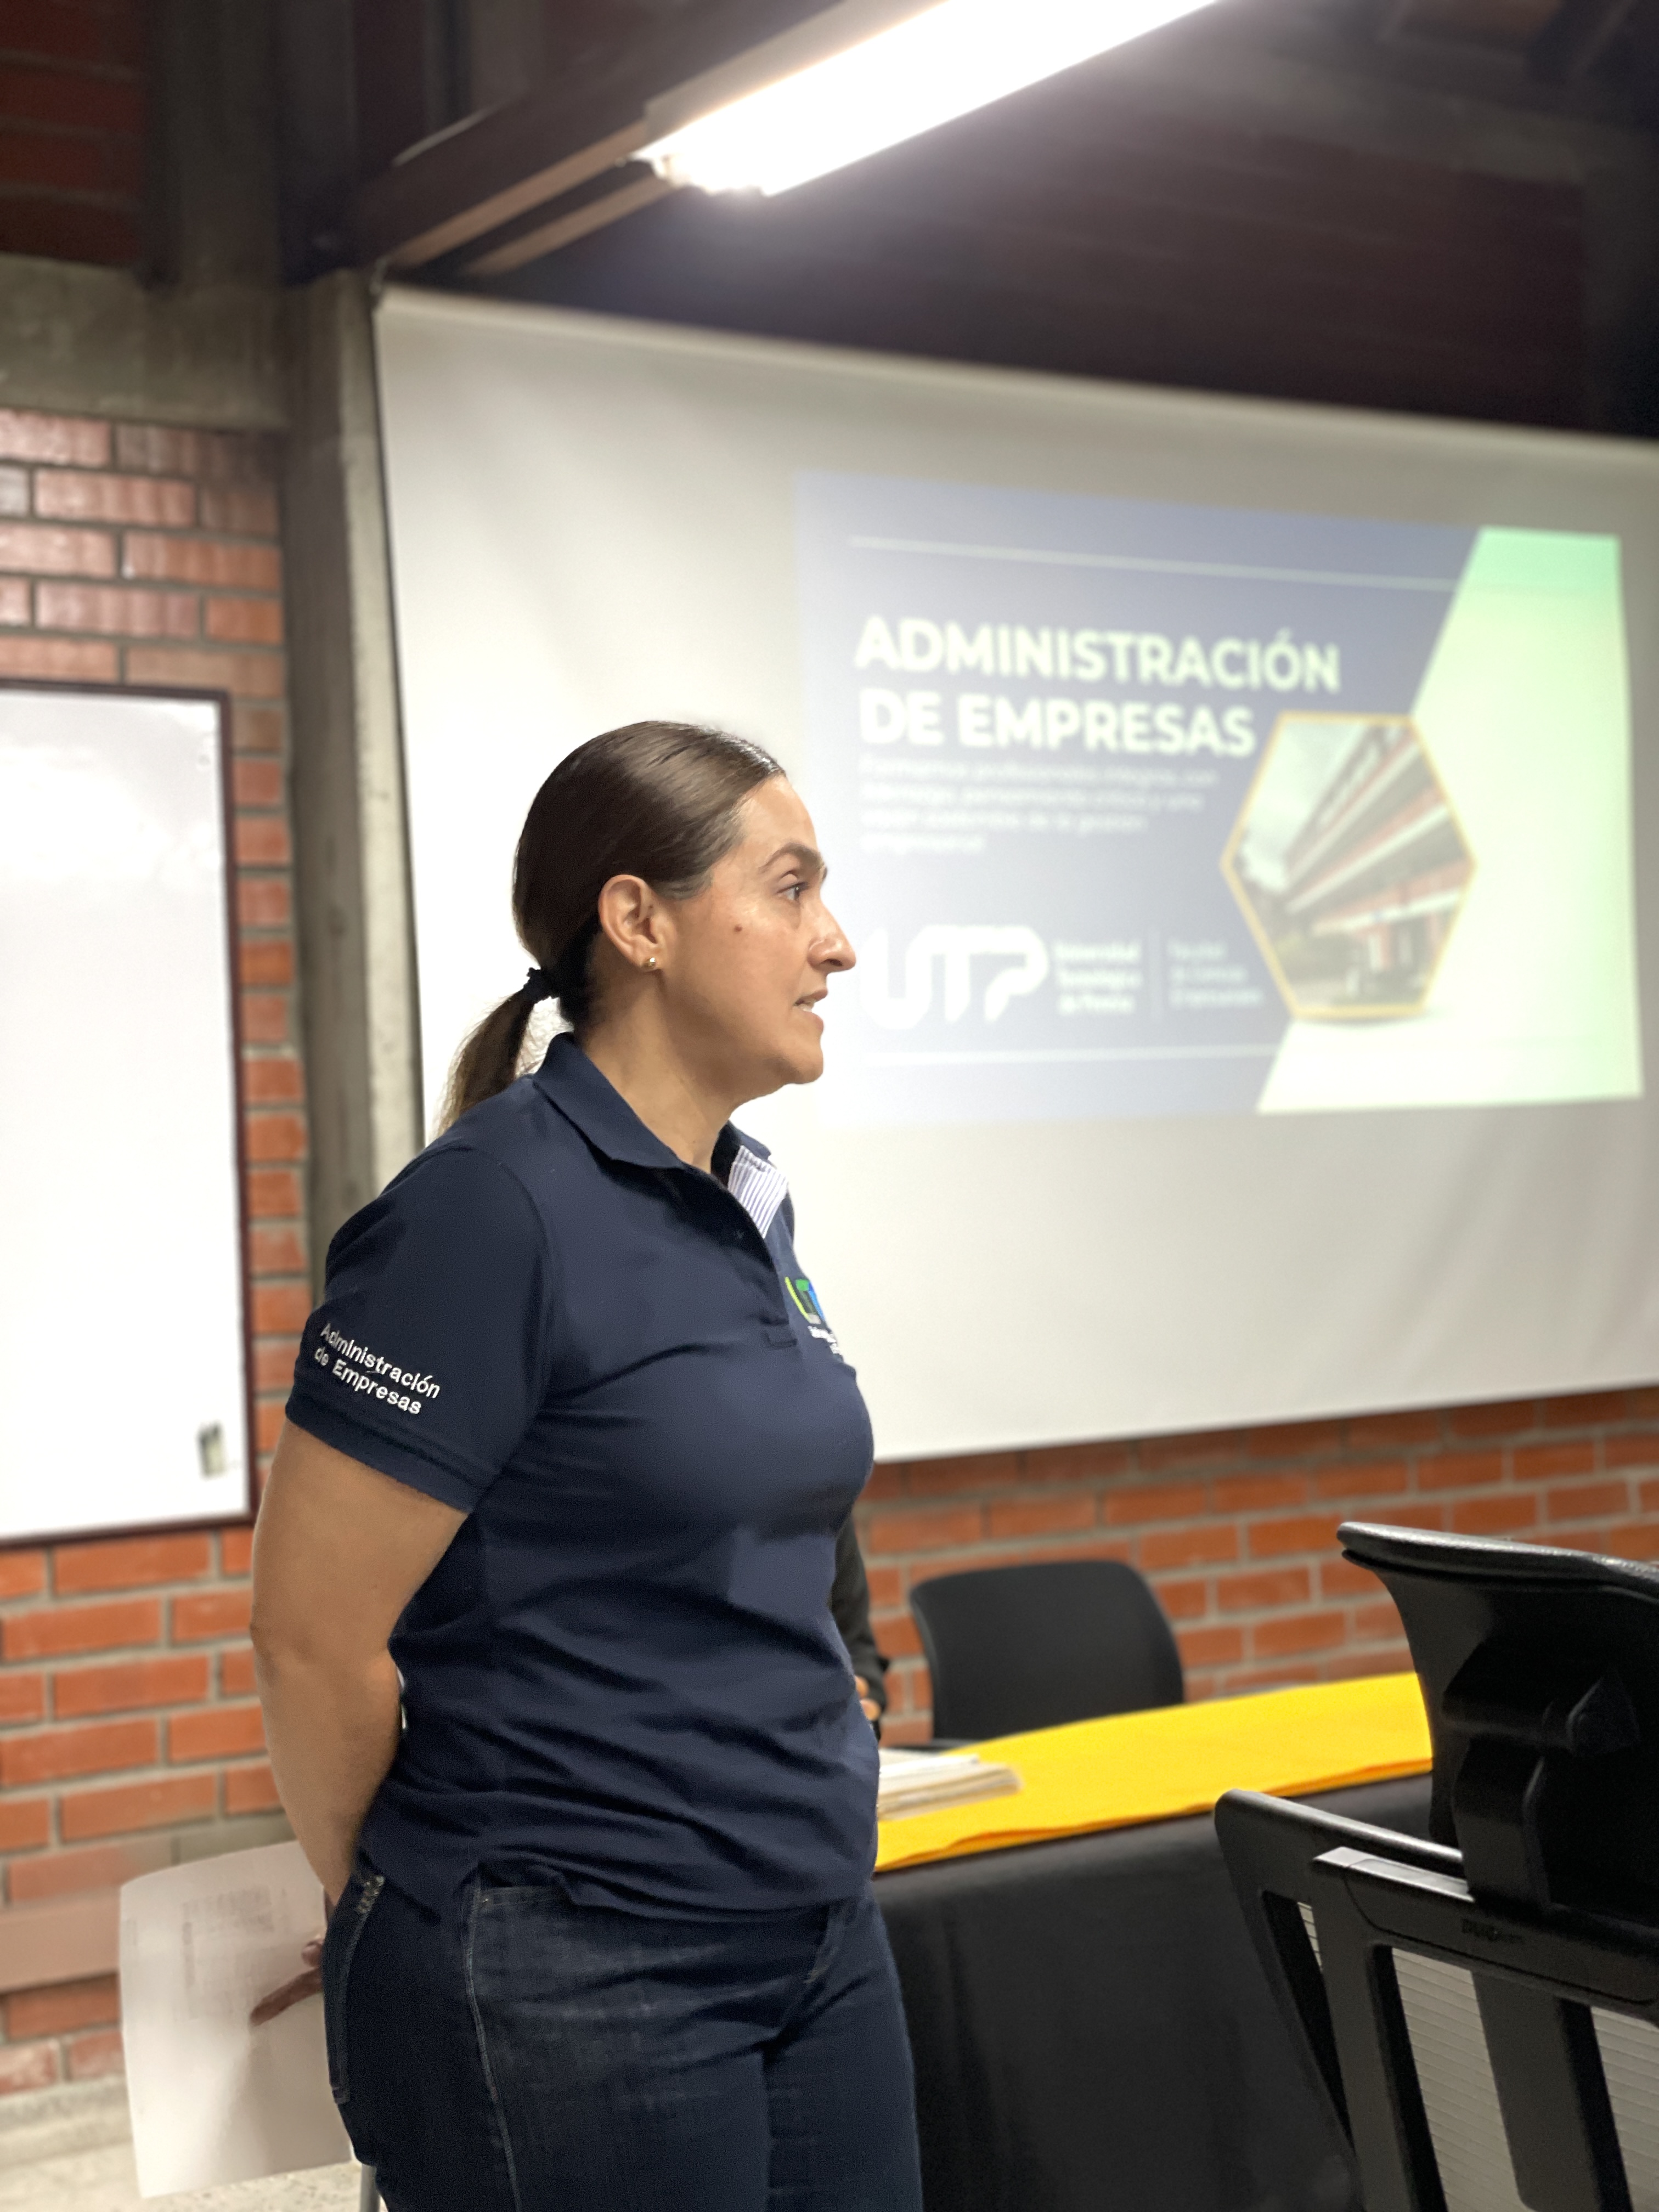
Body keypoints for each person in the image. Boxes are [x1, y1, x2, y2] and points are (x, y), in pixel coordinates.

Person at [250, 723, 923, 2212]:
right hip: (576, 1965)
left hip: (812, 1924)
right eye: (794, 888)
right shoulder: (487, 1212)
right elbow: (310, 1638)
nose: (840, 944)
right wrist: (417, 1901)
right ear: (640, 921)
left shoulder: (739, 1202)